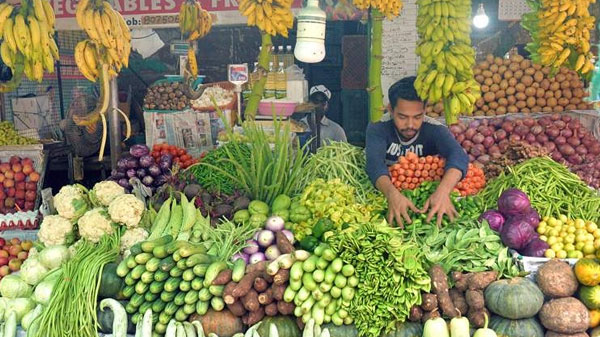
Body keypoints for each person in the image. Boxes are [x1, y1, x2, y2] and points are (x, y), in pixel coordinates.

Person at [366, 76, 469, 227]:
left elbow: (458, 155)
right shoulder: (378, 127)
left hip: (426, 197)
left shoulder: (434, 129)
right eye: (402, 117)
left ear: (425, 110)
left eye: (417, 117)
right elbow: (374, 165)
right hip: (388, 192)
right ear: (390, 110)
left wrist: (443, 191)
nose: (410, 125)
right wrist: (391, 194)